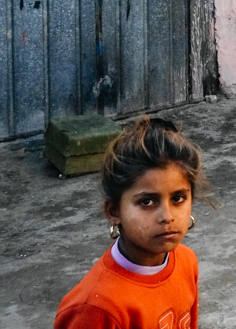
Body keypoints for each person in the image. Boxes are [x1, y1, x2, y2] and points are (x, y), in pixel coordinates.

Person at [55, 116, 209, 328]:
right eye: (147, 201)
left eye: (178, 199)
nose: (167, 216)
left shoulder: (185, 262)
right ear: (114, 211)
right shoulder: (95, 308)